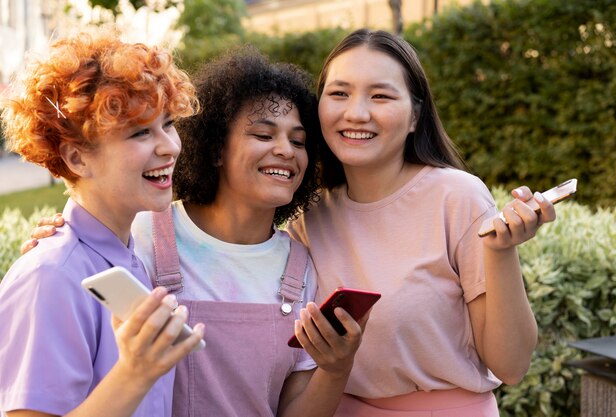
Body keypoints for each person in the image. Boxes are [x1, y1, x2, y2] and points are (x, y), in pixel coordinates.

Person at [21, 46, 366, 417]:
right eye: (263, 136)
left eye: (298, 142)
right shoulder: (139, 238)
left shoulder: (300, 268)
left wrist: (336, 369)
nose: (285, 150)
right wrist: (65, 242)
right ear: (216, 147)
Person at [287, 29, 556, 416]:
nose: (356, 112)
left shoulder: (457, 197)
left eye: (380, 95)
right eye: (339, 93)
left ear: (415, 115)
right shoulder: (307, 215)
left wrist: (500, 252)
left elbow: (511, 365)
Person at [0, 31, 204, 417]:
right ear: (77, 159)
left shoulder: (127, 259)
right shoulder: (50, 276)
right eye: (141, 132)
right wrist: (135, 373)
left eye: (168, 123)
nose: (170, 146)